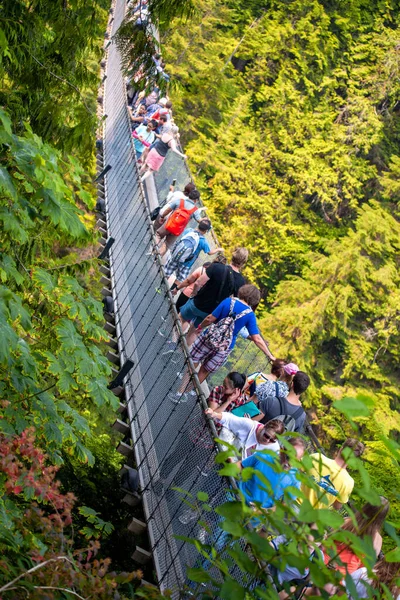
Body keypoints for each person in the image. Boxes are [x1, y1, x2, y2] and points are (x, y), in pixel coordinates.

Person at [188, 285, 275, 385]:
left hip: (210, 336)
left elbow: (210, 318)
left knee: (193, 361)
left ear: (243, 291)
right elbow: (257, 338)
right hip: (225, 347)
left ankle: (180, 391)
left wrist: (200, 327)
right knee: (204, 370)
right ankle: (189, 391)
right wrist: (270, 356)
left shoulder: (228, 301)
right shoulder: (250, 315)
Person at [180, 248, 249, 345]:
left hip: (198, 303)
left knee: (181, 317)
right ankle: (179, 353)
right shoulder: (241, 281)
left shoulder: (217, 267)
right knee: (195, 331)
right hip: (211, 313)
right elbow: (236, 301)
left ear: (233, 255)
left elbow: (198, 283)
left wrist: (194, 293)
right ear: (243, 262)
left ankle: (173, 341)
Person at [323, 498, 390, 576]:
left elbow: (327, 540)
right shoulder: (377, 541)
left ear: (365, 508)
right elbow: (365, 567)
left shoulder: (346, 522)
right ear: (382, 518)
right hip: (343, 577)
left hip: (324, 562)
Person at [237, 437, 306, 509]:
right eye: (288, 456)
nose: (289, 462)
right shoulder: (263, 456)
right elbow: (241, 465)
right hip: (237, 498)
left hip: (257, 515)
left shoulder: (295, 480)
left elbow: (284, 504)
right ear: (282, 450)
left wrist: (262, 511)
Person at [301, 438, 365, 510]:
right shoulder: (348, 482)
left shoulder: (317, 457)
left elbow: (295, 468)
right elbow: (337, 506)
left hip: (292, 504)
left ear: (341, 449)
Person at [163, 219, 223, 285]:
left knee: (167, 272)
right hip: (187, 263)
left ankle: (160, 287)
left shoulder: (189, 230)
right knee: (180, 279)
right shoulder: (203, 241)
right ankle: (169, 293)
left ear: (199, 225)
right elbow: (209, 252)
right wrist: (218, 249)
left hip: (176, 255)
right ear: (206, 231)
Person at [205, 409, 284, 459]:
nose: (267, 440)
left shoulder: (274, 448)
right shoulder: (249, 425)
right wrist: (215, 414)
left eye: (272, 440)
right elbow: (230, 419)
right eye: (267, 436)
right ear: (264, 426)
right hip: (224, 457)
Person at [155, 189, 204, 256]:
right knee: (166, 244)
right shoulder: (195, 210)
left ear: (189, 196)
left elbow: (168, 209)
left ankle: (154, 250)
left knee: (158, 235)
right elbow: (199, 220)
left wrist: (162, 217)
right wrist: (204, 220)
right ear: (196, 200)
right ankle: (157, 258)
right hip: (177, 231)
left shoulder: (180, 201)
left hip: (169, 224)